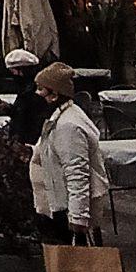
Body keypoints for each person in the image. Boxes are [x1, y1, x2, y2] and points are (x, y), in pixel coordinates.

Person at [28, 61, 109, 244]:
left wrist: (78, 217)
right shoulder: (59, 119)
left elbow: (77, 172)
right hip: (57, 201)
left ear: (54, 94)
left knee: (71, 263)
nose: (37, 94)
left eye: (41, 89)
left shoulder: (68, 125)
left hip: (65, 208)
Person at [3, 48, 50, 148]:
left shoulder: (35, 89)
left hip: (30, 140)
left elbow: (30, 115)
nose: (14, 75)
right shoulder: (25, 88)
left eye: (14, 71)